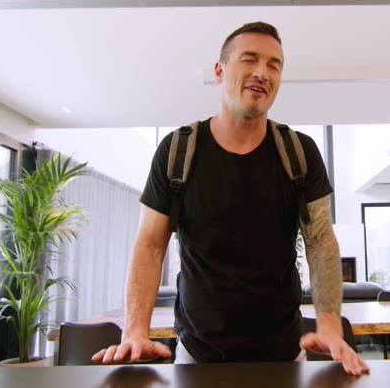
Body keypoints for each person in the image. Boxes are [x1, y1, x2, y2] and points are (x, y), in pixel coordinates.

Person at [92, 21, 369, 375]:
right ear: (220, 71)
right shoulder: (177, 151)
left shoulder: (299, 153)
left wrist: (329, 324)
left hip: (283, 355)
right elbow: (150, 244)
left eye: (274, 65)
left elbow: (320, 241)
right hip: (197, 356)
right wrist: (135, 331)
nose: (262, 72)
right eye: (249, 59)